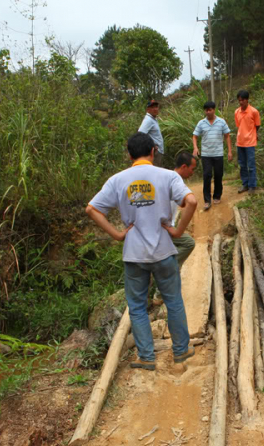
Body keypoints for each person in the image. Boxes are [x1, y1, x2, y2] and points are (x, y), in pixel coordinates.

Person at [86, 132, 197, 370]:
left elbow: (92, 209)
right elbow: (192, 202)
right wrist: (177, 231)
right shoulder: (168, 176)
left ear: (128, 154)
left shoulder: (117, 180)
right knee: (173, 301)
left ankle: (146, 357)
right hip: (164, 251)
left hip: (134, 255)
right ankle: (180, 352)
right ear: (154, 151)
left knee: (137, 307)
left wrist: (116, 234)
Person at [192, 101, 233, 210]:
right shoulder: (201, 123)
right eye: (206, 110)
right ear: (204, 111)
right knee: (206, 176)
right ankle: (207, 200)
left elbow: (227, 136)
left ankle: (217, 195)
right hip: (206, 154)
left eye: (210, 109)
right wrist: (196, 148)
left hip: (218, 153)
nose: (208, 112)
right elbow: (195, 136)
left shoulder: (221, 122)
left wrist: (229, 151)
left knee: (218, 175)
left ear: (214, 110)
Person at [169, 151, 197, 268]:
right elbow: (191, 202)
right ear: (184, 166)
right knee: (188, 242)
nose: (193, 172)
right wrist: (178, 231)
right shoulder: (175, 179)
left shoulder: (167, 176)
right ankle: (167, 268)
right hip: (163, 228)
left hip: (161, 226)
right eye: (192, 169)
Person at [234, 90, 261, 193]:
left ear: (247, 100)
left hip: (250, 142)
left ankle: (252, 186)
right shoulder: (237, 112)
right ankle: (245, 184)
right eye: (239, 100)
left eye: (242, 100)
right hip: (240, 142)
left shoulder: (254, 111)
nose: (241, 102)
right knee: (242, 165)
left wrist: (253, 134)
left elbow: (257, 125)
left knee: (251, 165)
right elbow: (239, 125)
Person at [138, 99, 164, 167]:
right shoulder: (148, 120)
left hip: (157, 152)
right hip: (154, 152)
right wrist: (152, 145)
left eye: (156, 107)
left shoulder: (153, 119)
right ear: (148, 109)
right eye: (152, 107)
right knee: (154, 174)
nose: (155, 109)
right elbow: (140, 134)